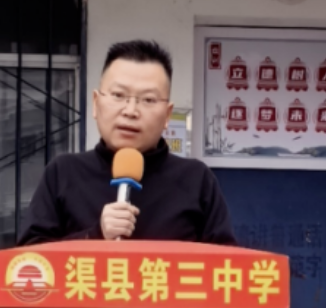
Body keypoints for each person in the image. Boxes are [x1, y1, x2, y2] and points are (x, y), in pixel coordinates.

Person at [17, 40, 237, 246]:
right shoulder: (63, 173)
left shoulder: (197, 180)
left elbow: (228, 265)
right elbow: (28, 262)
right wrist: (94, 235)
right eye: (118, 95)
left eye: (148, 100)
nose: (130, 111)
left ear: (167, 115)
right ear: (96, 103)